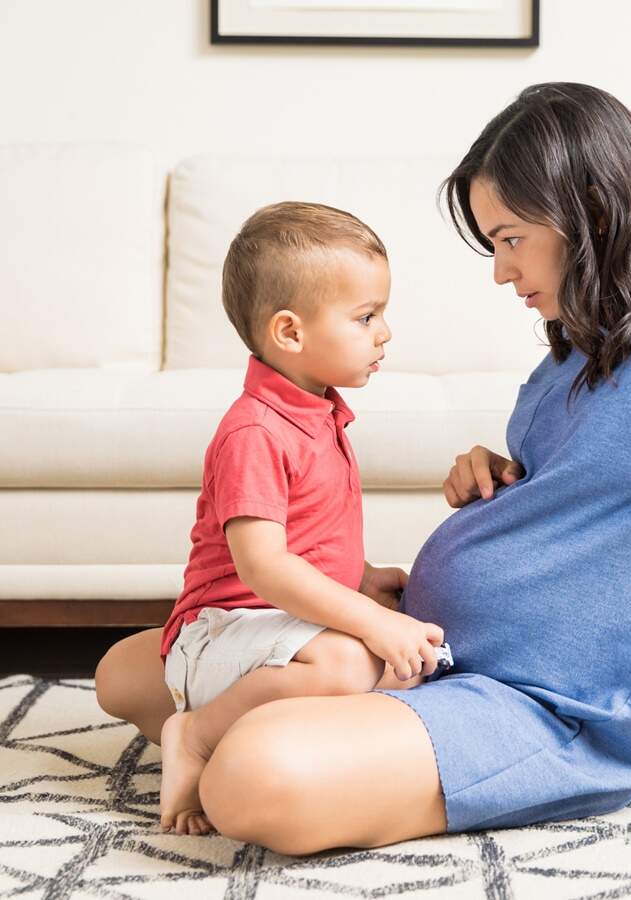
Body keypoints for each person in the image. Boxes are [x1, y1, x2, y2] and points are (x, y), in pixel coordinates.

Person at [95, 84, 631, 854]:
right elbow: (593, 486)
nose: (501, 271)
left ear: (594, 213)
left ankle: (285, 740)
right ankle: (316, 726)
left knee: (252, 779)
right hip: (442, 647)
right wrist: (498, 477)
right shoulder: (587, 334)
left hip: (547, 703)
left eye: (510, 240)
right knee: (129, 671)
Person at [98, 201, 447, 836]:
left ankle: (237, 724)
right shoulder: (255, 430)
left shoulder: (317, 410)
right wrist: (366, 620)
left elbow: (308, 535)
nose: (385, 332)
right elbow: (263, 566)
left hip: (270, 626)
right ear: (290, 332)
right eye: (366, 316)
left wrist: (361, 579)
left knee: (397, 642)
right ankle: (197, 734)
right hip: (228, 624)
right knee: (352, 663)